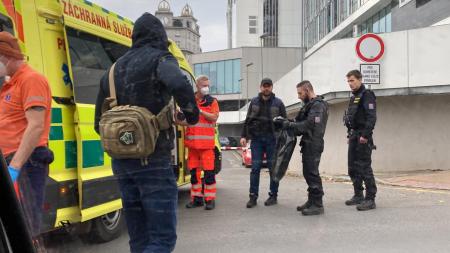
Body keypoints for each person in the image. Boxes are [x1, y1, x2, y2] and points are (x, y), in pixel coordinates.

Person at [94, 13, 199, 252]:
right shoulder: (161, 58)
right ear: (160, 37)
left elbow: (97, 123)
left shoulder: (112, 70)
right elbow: (179, 84)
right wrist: (191, 115)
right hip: (152, 158)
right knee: (162, 239)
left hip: (121, 164)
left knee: (138, 238)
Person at [0, 31, 53, 237]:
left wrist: (14, 168)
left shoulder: (31, 80)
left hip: (26, 163)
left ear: (7, 56)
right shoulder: (7, 85)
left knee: (26, 226)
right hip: (9, 161)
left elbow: (36, 126)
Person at [276, 81, 328, 216]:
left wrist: (289, 125)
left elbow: (308, 125)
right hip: (307, 143)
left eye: (300, 93)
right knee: (307, 172)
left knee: (312, 173)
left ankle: (318, 204)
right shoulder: (309, 106)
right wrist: (284, 121)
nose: (298, 96)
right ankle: (311, 201)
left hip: (314, 144)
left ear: (307, 90)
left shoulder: (318, 106)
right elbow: (298, 121)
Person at [240, 78, 286, 208]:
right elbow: (248, 119)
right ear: (260, 87)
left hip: (273, 140)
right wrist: (244, 135)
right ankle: (253, 197)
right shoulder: (254, 102)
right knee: (255, 169)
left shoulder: (278, 103)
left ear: (272, 87)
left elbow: (284, 122)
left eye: (269, 86)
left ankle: (273, 196)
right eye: (264, 86)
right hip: (257, 140)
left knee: (273, 169)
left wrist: (284, 139)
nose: (266, 88)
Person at [177, 75, 219, 211]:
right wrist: (176, 120)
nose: (206, 88)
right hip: (193, 146)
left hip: (207, 147)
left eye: (208, 85)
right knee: (194, 176)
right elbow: (186, 121)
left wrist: (200, 111)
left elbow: (214, 117)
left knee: (209, 175)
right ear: (197, 86)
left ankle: (210, 200)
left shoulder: (212, 102)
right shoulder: (190, 101)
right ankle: (196, 199)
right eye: (204, 85)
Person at [343, 69, 377, 211]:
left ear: (360, 79)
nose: (350, 83)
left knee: (364, 167)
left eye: (352, 80)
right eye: (348, 81)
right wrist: (350, 134)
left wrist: (365, 135)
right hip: (354, 135)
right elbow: (352, 118)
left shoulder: (367, 95)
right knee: (352, 167)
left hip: (363, 136)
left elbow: (371, 117)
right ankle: (358, 194)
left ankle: (370, 199)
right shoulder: (354, 96)